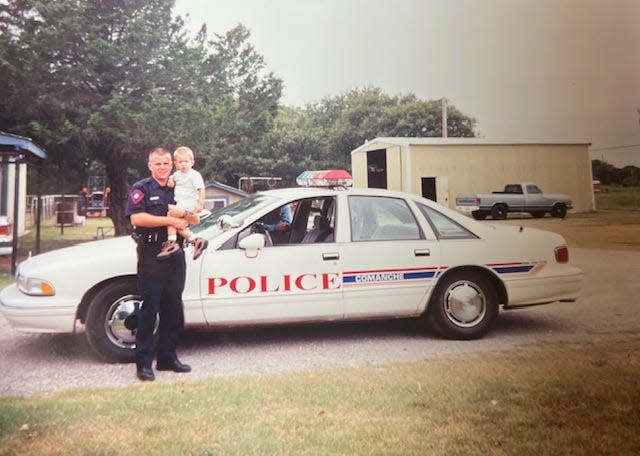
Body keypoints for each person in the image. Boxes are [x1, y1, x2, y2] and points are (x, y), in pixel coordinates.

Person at [125, 147, 196, 382]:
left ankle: (167, 358)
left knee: (173, 308)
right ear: (150, 166)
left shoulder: (180, 186)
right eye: (158, 164)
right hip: (152, 254)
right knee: (149, 309)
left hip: (176, 253)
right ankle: (144, 364)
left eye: (166, 163)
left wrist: (184, 215)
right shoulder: (141, 188)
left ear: (172, 164)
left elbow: (192, 216)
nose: (163, 167)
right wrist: (170, 219)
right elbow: (137, 218)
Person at [157, 146, 208, 260]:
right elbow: (172, 180)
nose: (183, 164)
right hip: (180, 203)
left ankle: (171, 242)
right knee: (177, 224)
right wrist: (170, 181)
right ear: (176, 163)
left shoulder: (194, 175)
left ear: (192, 162)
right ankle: (195, 240)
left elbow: (201, 189)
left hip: (189, 203)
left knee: (170, 215)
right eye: (180, 162)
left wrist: (200, 204)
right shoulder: (177, 174)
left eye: (186, 161)